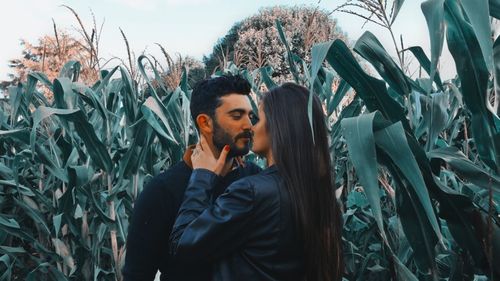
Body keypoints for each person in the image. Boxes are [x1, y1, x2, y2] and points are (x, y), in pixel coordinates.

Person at [170, 83, 344, 281]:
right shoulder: (319, 195)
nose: (250, 127)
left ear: (279, 126)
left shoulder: (252, 192)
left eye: (257, 119)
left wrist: (202, 176)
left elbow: (182, 244)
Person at [123, 75, 262, 281]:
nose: (249, 126)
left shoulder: (255, 179)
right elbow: (137, 275)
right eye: (236, 115)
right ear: (205, 123)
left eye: (250, 116)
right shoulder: (162, 191)